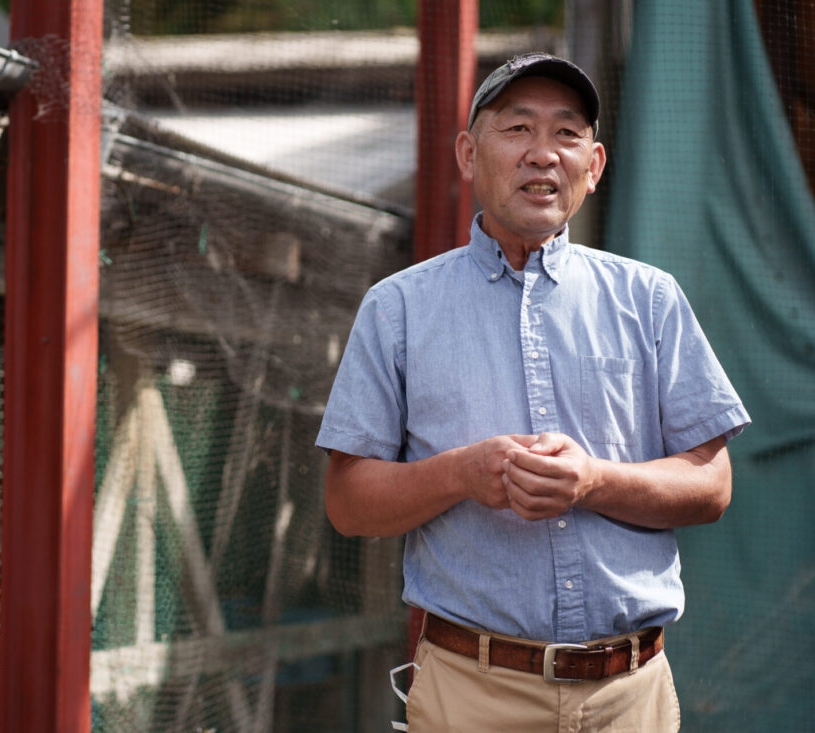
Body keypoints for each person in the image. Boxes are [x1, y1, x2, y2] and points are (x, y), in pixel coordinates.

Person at [315, 53, 750, 732]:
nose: (542, 154)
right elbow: (346, 502)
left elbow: (712, 484)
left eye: (566, 134)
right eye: (516, 129)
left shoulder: (651, 300)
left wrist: (592, 479)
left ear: (596, 166)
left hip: (627, 695)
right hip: (470, 693)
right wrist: (460, 472)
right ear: (467, 153)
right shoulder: (397, 309)